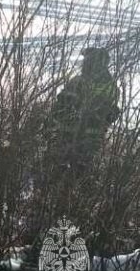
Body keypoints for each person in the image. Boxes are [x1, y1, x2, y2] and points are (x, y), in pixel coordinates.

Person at [50, 47, 120, 176]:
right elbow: (111, 114)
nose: (84, 64)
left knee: (60, 172)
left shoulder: (78, 82)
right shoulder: (112, 86)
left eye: (86, 61)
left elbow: (59, 108)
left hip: (69, 136)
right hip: (92, 139)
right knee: (81, 173)